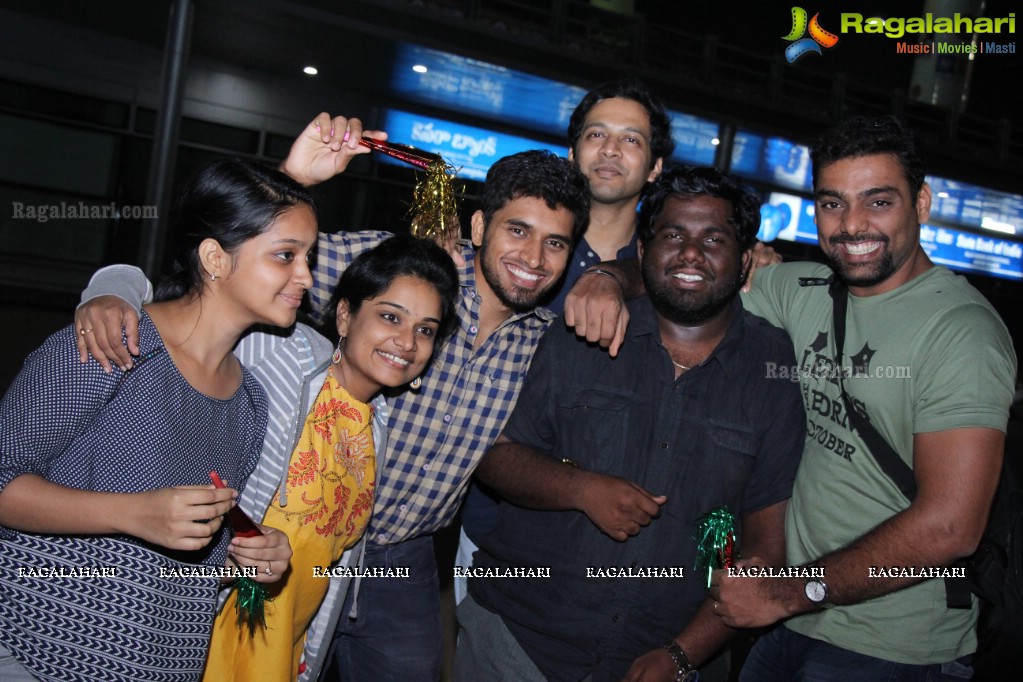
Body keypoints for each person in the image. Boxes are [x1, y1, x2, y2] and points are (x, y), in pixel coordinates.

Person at [77, 116, 591, 681]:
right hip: (284, 531)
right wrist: (115, 288)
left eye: (555, 243)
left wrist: (612, 281)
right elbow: (228, 268)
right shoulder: (400, 268)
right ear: (478, 223)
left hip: (403, 556)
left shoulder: (548, 345)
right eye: (518, 230)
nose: (534, 256)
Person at [455, 165, 805, 682]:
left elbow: (765, 549)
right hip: (518, 644)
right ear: (642, 253)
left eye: (714, 238)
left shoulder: (774, 369)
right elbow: (497, 458)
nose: (690, 253)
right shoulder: (580, 333)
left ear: (746, 259)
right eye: (672, 235)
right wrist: (580, 488)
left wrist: (683, 655)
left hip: (674, 659)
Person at [705, 115, 1017, 680]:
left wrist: (787, 593)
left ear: (920, 204)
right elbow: (693, 271)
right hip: (790, 623)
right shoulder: (802, 290)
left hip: (891, 646)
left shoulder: (960, 330)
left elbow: (951, 526)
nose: (851, 225)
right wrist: (606, 280)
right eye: (832, 203)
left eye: (877, 202)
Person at [0, 158, 299, 682]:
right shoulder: (113, 343)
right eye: (285, 256)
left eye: (307, 257)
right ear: (215, 258)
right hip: (37, 649)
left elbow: (187, 553)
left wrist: (250, 558)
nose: (306, 276)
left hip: (160, 665)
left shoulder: (250, 401)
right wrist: (132, 513)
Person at [200, 235, 460, 682]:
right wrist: (113, 292)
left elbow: (325, 571)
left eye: (425, 330)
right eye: (390, 316)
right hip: (206, 638)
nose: (406, 341)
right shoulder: (284, 353)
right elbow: (185, 310)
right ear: (345, 314)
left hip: (281, 652)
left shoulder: (374, 430)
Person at [455, 77, 675, 605]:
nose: (611, 149)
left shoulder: (673, 270)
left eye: (632, 139)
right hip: (490, 515)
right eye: (597, 134)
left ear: (655, 167)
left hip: (617, 540)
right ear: (573, 149)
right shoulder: (518, 252)